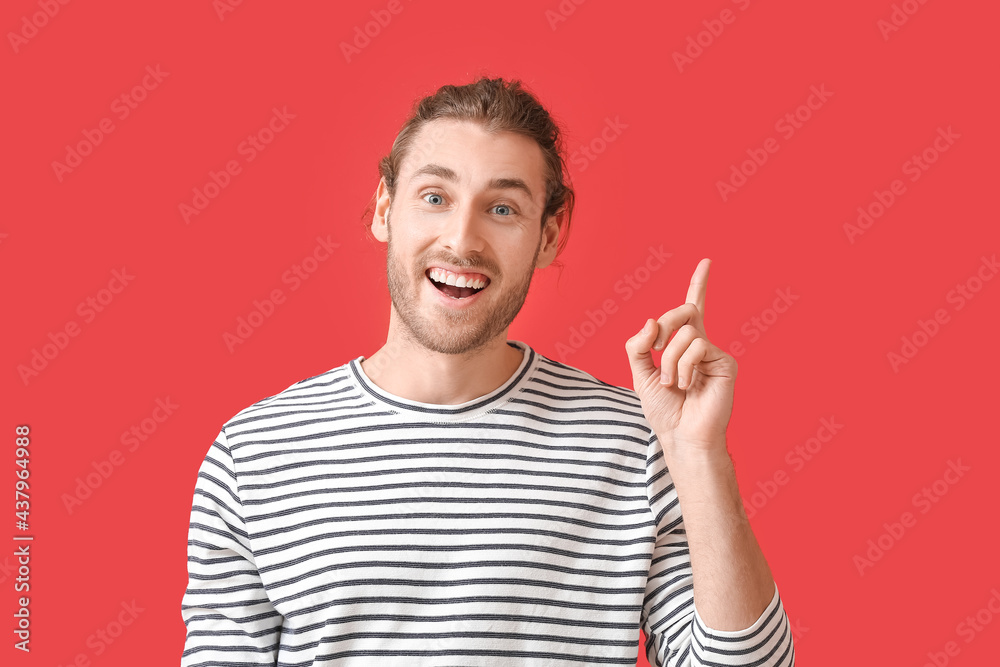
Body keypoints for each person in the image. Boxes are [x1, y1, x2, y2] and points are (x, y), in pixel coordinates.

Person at [181, 77, 795, 666]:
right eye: (434, 198)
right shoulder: (256, 452)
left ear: (549, 236)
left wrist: (699, 458)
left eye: (502, 208)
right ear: (383, 208)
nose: (462, 240)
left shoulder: (637, 444)